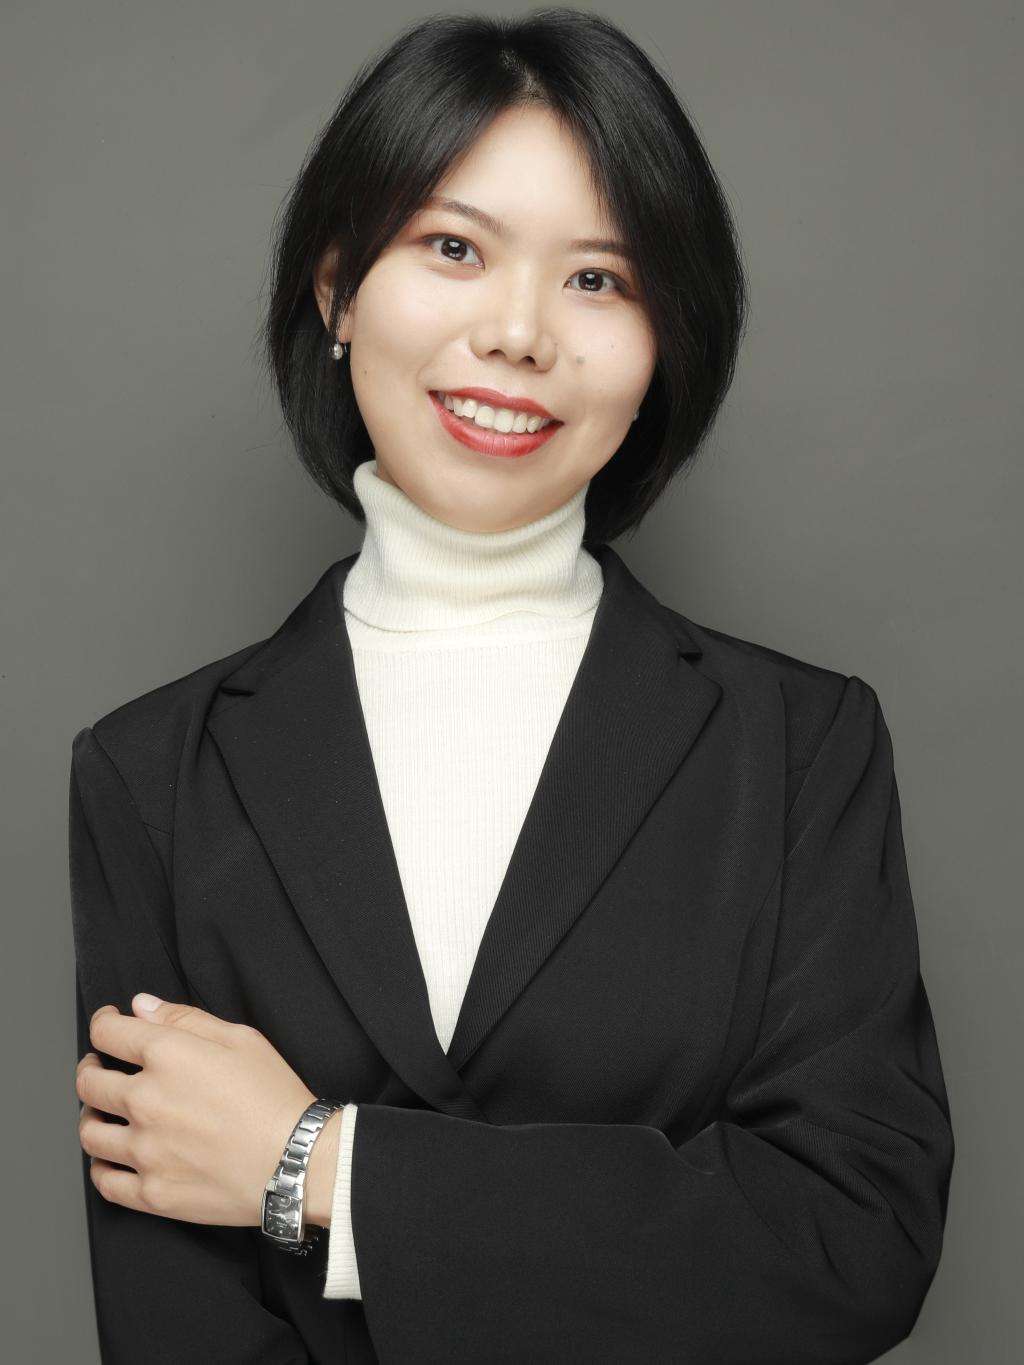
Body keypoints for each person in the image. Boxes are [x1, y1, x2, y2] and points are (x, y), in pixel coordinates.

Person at [69, 8, 954, 1363]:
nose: (521, 332)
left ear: (666, 339)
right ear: (337, 287)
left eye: (599, 278)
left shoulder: (799, 745)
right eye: (453, 248)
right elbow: (172, 1319)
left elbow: (850, 1235)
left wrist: (324, 1164)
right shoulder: (151, 775)